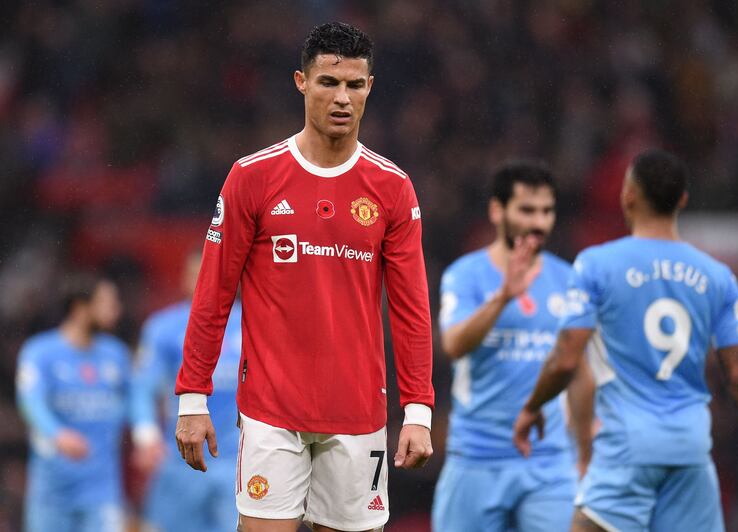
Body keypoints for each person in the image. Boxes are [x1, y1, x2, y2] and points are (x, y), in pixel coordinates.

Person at [173, 22, 435, 532]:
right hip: (272, 410)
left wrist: (419, 410)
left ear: (370, 89)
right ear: (301, 82)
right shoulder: (253, 177)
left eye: (354, 86)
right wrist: (192, 397)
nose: (342, 98)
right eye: (328, 83)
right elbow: (213, 294)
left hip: (358, 414)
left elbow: (411, 310)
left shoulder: (392, 187)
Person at [512, 149, 738, 531]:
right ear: (682, 200)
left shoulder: (596, 265)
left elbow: (565, 359)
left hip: (627, 447)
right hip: (690, 450)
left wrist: (532, 407)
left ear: (627, 195)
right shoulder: (717, 276)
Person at [432, 161, 594, 532]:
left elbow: (580, 372)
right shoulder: (466, 274)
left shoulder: (567, 280)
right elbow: (454, 344)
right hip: (476, 455)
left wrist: (584, 452)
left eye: (547, 211)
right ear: (497, 211)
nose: (538, 222)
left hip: (548, 462)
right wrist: (503, 297)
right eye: (526, 210)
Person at [131, 251, 242, 532]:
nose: (206, 283)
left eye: (214, 275)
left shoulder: (252, 323)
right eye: (198, 275)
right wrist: (145, 435)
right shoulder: (163, 328)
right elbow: (143, 386)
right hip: (180, 460)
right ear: (185, 279)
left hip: (238, 461)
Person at [15, 274, 130, 532]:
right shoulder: (40, 352)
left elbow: (133, 401)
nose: (116, 310)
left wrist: (147, 434)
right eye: (107, 303)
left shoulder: (116, 354)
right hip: (52, 489)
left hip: (101, 489)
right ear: (80, 308)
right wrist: (57, 434)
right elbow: (29, 400)